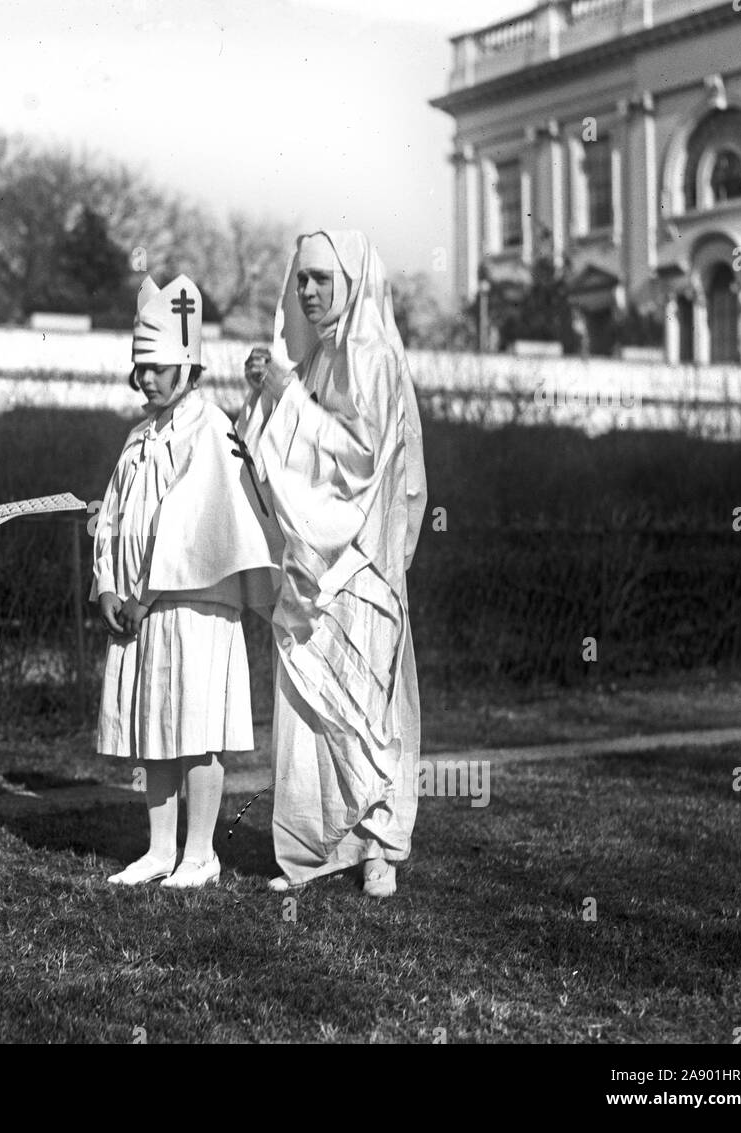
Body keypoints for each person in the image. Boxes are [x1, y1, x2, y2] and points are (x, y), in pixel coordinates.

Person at [239, 230, 427, 897]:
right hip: (314, 564)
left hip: (359, 562)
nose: (309, 291)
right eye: (302, 280)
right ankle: (317, 847)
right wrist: (267, 396)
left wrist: (284, 395)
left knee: (364, 704)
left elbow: (358, 459)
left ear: (350, 280)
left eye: (322, 278)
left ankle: (378, 846)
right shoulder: (317, 357)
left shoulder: (373, 357)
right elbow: (283, 456)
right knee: (312, 708)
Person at [92, 274, 281, 889]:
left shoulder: (208, 427)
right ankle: (158, 848)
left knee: (196, 728)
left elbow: (193, 522)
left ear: (188, 365)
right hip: (142, 609)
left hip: (194, 604)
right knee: (156, 724)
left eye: (158, 366)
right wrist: (109, 589)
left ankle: (200, 851)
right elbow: (115, 517)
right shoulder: (139, 436)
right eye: (140, 367)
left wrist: (147, 594)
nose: (146, 378)